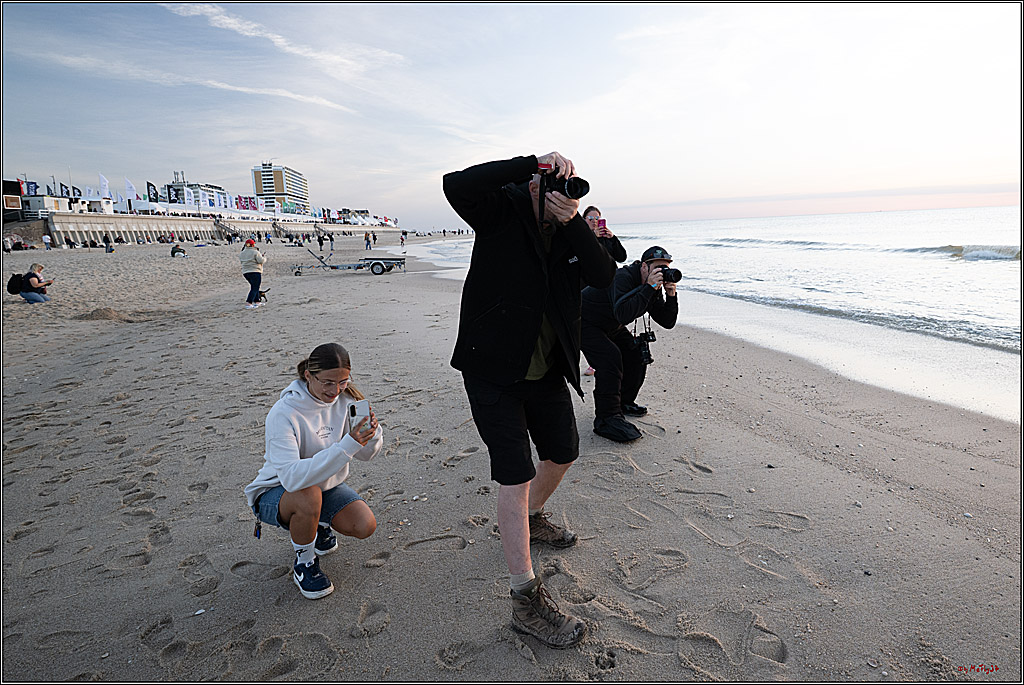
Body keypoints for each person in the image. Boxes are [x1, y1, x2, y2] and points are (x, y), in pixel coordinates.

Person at [443, 151, 615, 649]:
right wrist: (529, 164)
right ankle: (525, 600)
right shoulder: (500, 210)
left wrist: (572, 224)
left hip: (545, 372)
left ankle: (529, 518)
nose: (557, 192)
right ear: (531, 183)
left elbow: (603, 276)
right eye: (549, 184)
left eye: (565, 186)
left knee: (563, 453)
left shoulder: (567, 230)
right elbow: (456, 183)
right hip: (492, 369)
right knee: (514, 472)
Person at [244, 343, 382, 600]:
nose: (335, 391)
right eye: (327, 382)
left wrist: (371, 435)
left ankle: (317, 524)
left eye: (342, 382)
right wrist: (348, 444)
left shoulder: (347, 400)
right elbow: (292, 478)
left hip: (324, 486)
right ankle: (304, 563)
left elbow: (366, 455)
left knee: (364, 525)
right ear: (308, 375)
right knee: (308, 495)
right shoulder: (284, 413)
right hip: (277, 492)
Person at [581, 246, 679, 442]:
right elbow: (623, 313)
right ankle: (606, 419)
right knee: (610, 359)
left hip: (611, 324)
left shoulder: (653, 285)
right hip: (584, 321)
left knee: (635, 353)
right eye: (658, 268)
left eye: (665, 268)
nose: (662, 272)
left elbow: (667, 322)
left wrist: (671, 296)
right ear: (644, 267)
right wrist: (648, 288)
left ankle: (624, 402)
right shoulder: (623, 278)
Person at [239, 238, 266, 310]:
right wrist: (263, 257)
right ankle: (249, 302)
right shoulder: (255, 252)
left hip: (246, 272)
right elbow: (261, 261)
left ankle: (257, 301)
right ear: (253, 244)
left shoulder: (242, 253)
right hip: (255, 271)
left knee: (254, 286)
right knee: (255, 287)